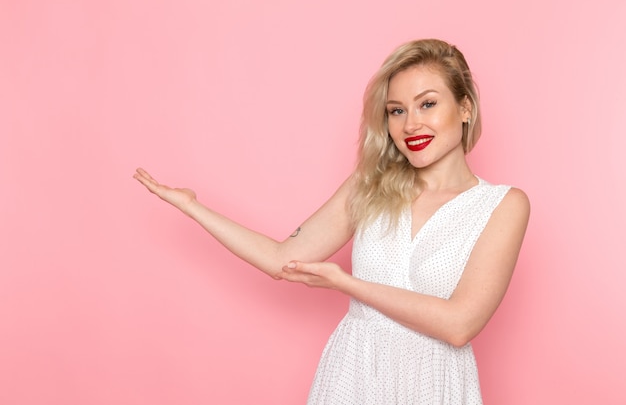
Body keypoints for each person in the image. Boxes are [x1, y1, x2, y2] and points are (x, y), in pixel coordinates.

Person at [133, 38, 530, 405]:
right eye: (396, 110)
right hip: (354, 376)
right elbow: (280, 258)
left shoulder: (502, 205)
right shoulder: (368, 187)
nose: (410, 125)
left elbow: (459, 324)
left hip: (434, 384)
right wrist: (192, 207)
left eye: (427, 104)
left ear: (464, 108)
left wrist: (347, 284)